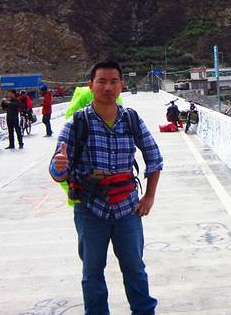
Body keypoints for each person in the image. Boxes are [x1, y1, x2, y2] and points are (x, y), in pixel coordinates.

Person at [49, 60, 163, 315]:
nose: (108, 87)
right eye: (102, 81)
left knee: (135, 269)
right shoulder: (76, 123)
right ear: (90, 85)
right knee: (92, 274)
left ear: (122, 85)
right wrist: (59, 167)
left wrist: (149, 197)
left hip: (128, 211)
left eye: (113, 81)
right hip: (90, 211)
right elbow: (57, 172)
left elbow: (154, 158)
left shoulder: (132, 120)